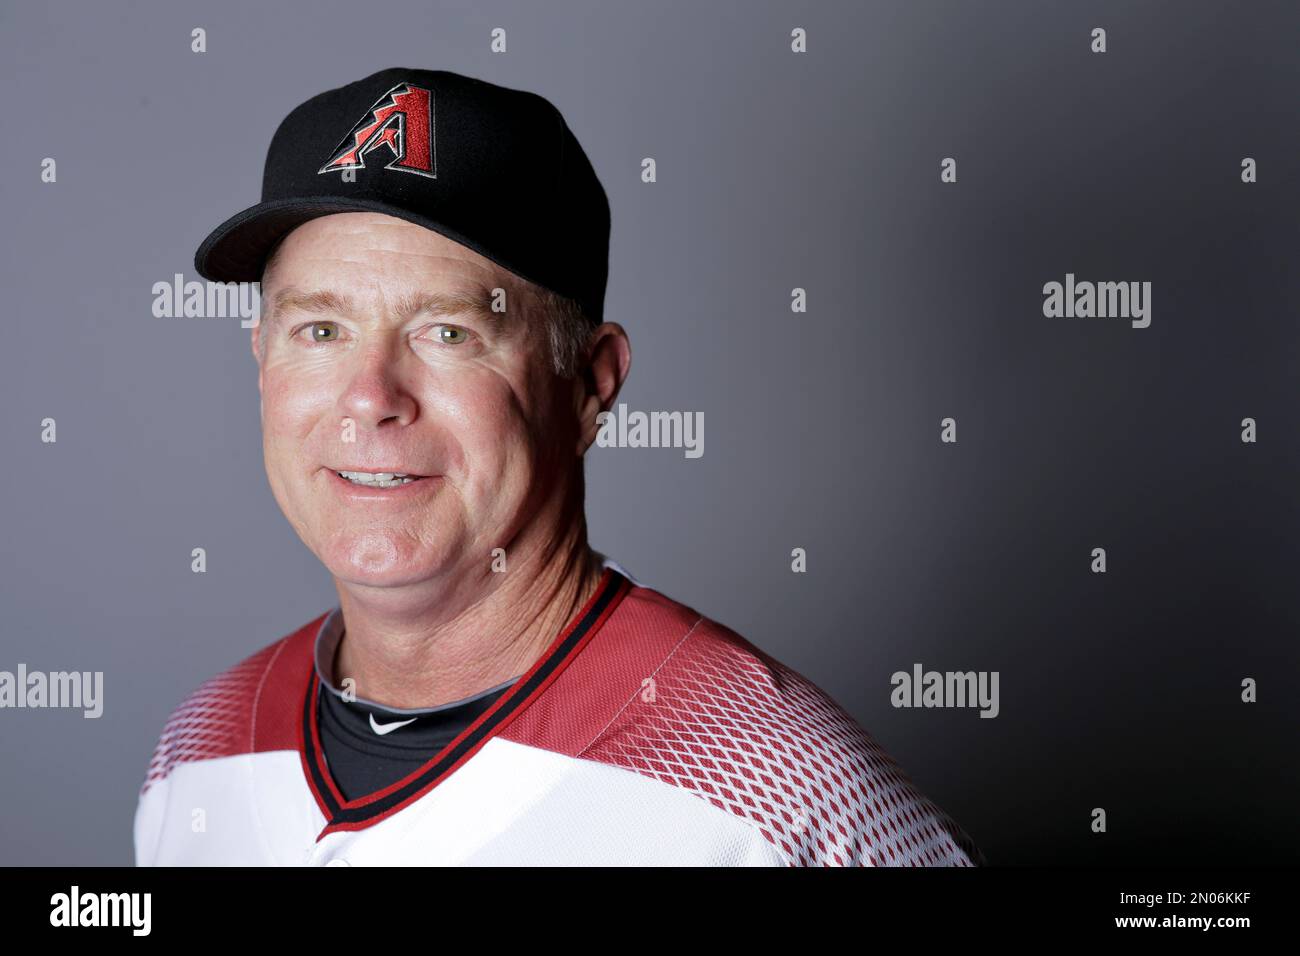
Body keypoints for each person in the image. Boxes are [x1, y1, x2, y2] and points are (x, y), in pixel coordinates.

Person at [133, 67, 982, 866]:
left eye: (448, 333)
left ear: (590, 384)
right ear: (261, 357)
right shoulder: (200, 750)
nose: (370, 397)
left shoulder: (778, 794)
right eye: (320, 331)